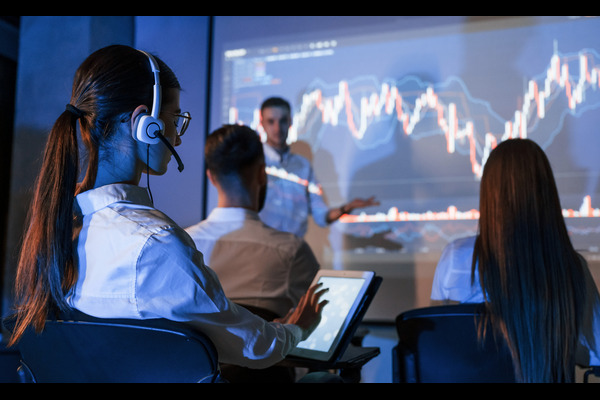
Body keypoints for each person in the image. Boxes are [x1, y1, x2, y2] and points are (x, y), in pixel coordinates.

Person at [6, 45, 327, 373]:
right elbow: (256, 347)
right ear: (144, 123)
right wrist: (296, 328)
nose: (177, 137)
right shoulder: (156, 245)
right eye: (174, 119)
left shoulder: (61, 232)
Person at [430, 138, 600, 382]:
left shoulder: (455, 257)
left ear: (489, 194)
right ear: (545, 192)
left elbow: (435, 341)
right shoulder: (572, 268)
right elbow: (595, 355)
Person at [186, 124, 322, 382]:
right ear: (262, 174)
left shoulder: (184, 245)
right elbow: (316, 325)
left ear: (211, 177)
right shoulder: (291, 251)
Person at [258, 96, 379, 237]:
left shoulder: (303, 166)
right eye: (271, 122)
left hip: (294, 249)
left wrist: (347, 208)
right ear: (262, 123)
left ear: (290, 122)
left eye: (283, 121)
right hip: (262, 248)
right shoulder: (254, 163)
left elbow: (321, 215)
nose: (277, 128)